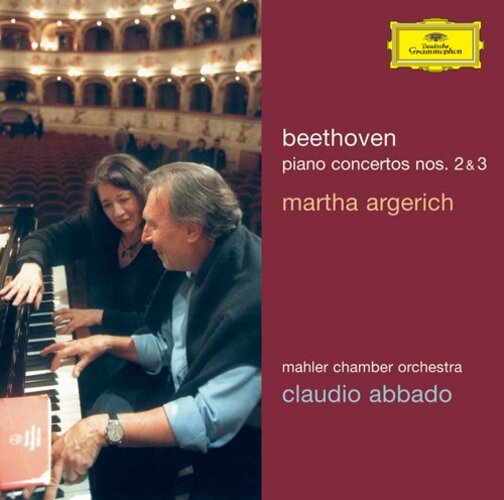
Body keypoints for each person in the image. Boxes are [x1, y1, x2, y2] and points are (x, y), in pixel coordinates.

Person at [36, 162, 261, 500]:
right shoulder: (194, 262)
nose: (144, 236)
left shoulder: (256, 301)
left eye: (153, 224)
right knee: (105, 431)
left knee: (109, 439)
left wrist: (103, 429)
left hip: (242, 451)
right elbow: (167, 345)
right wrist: (107, 342)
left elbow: (207, 417)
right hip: (183, 392)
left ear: (191, 229)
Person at [0, 154, 165, 414]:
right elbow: (43, 238)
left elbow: (153, 323)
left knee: (99, 417)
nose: (117, 212)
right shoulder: (96, 225)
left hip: (141, 358)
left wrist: (97, 315)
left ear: (142, 194)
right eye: (107, 204)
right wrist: (31, 266)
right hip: (99, 344)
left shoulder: (162, 246)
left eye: (124, 199)